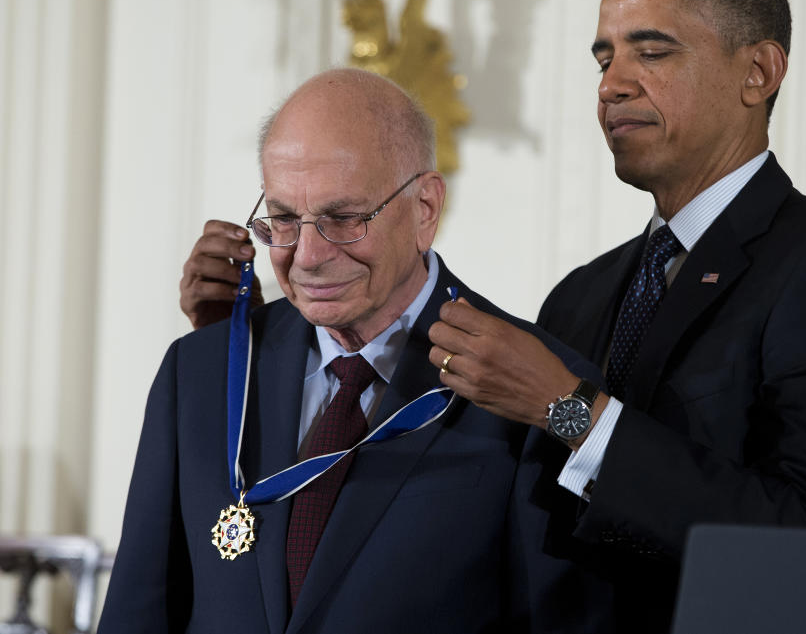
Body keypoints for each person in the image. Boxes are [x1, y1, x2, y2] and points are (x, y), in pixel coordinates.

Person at [176, 0, 806, 633]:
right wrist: (249, 348)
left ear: (758, 72)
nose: (612, 85)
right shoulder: (584, 294)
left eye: (651, 52)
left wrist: (572, 412)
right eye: (603, 59)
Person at [100, 68, 614, 633]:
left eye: (344, 219)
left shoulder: (537, 386)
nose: (309, 256)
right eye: (285, 220)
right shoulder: (199, 371)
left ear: (424, 209)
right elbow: (138, 611)